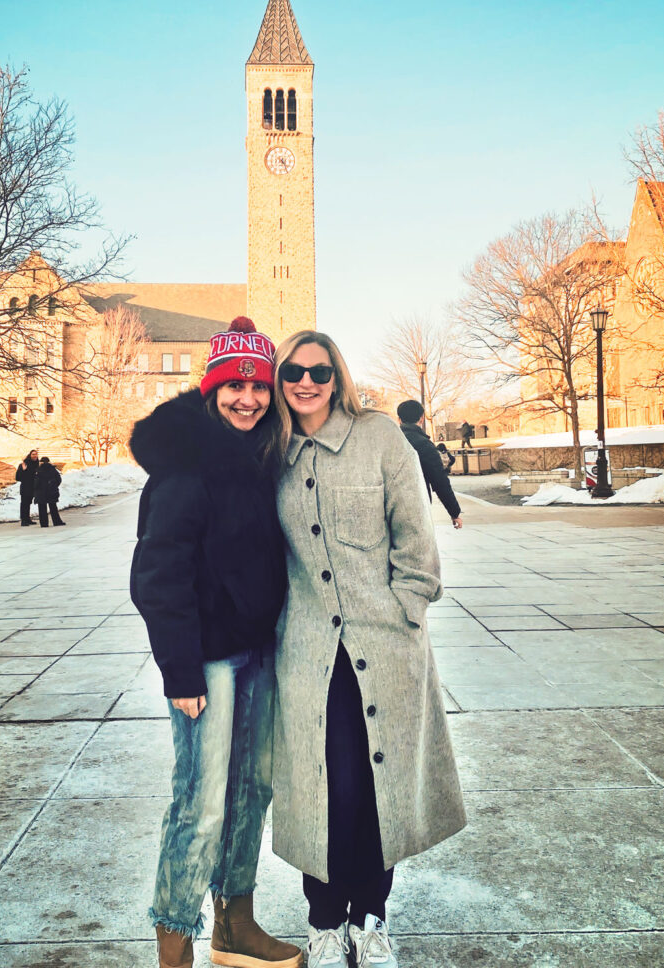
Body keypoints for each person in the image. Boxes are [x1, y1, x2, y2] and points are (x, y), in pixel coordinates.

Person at [271, 331, 466, 968]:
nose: (306, 382)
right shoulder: (270, 451)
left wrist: (407, 610)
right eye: (294, 371)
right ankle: (325, 922)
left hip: (383, 650)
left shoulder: (380, 437)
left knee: (381, 788)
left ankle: (371, 917)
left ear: (337, 376)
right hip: (308, 654)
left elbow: (417, 538)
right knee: (326, 790)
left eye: (319, 372)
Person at [129, 316, 302, 968]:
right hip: (206, 662)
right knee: (200, 804)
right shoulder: (186, 468)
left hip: (257, 655)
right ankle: (175, 945)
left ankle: (236, 927)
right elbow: (156, 574)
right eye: (234, 387)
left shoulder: (262, 456)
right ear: (212, 389)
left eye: (259, 389)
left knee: (250, 795)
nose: (248, 399)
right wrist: (180, 671)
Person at [397, 400, 462, 529]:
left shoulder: (391, 441)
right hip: (418, 503)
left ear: (399, 419)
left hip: (390, 506)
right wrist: (454, 512)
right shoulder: (424, 444)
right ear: (421, 419)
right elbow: (439, 481)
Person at [34, 456, 66, 527]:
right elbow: (58, 479)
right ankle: (57, 521)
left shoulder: (38, 470)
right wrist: (54, 486)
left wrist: (36, 489)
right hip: (51, 490)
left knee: (42, 508)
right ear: (48, 461)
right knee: (53, 507)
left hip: (41, 492)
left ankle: (44, 523)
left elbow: (35, 482)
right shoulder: (53, 469)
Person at [15, 449, 39, 526]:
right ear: (30, 455)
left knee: (28, 503)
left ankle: (27, 519)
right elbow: (18, 477)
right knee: (24, 504)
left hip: (33, 487)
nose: (35, 456)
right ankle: (23, 520)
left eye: (36, 454)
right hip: (25, 487)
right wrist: (24, 470)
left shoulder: (37, 464)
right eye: (33, 454)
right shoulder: (24, 464)